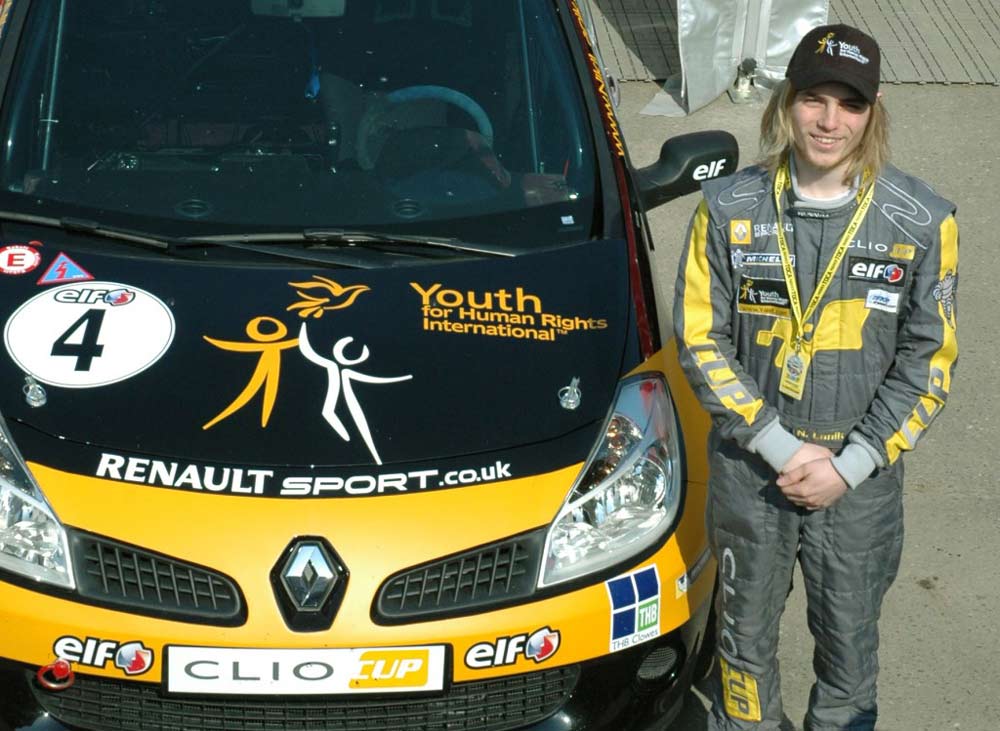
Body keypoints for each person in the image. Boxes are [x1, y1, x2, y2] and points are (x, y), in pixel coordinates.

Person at [673, 24, 958, 731]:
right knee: (741, 648)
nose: (830, 122)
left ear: (874, 109)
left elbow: (929, 361)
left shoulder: (923, 221)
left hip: (857, 483)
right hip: (750, 470)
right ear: (786, 100)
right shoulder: (726, 208)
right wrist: (778, 446)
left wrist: (850, 464)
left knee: (850, 654)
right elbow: (700, 339)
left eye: (850, 104)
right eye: (814, 100)